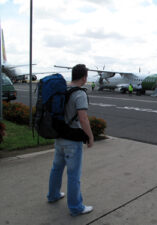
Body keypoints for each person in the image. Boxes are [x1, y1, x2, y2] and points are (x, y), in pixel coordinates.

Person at [47, 64, 94, 216]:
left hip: (59, 137)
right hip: (72, 140)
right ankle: (76, 207)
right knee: (74, 174)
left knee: (56, 168)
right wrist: (90, 137)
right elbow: (83, 117)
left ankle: (53, 195)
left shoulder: (63, 90)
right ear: (84, 77)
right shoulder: (80, 94)